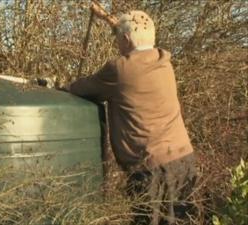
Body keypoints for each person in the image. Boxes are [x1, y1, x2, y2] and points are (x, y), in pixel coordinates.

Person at [68, 10, 197, 225]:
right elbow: (136, 40)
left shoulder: (119, 70)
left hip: (151, 169)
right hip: (184, 160)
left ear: (126, 39)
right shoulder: (164, 61)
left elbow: (82, 88)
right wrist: (111, 21)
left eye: (118, 39)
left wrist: (59, 87)